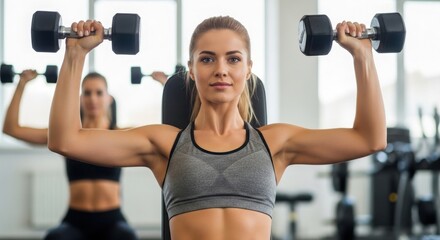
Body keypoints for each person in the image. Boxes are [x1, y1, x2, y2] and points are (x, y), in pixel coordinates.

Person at [48, 16, 386, 240]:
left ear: (248, 68)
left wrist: (362, 56)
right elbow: (65, 140)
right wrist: (75, 55)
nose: (221, 69)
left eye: (233, 59)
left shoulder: (276, 142)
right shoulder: (163, 143)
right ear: (192, 70)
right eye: (207, 59)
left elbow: (369, 139)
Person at [2, 70, 140, 240]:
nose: (93, 99)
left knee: (127, 236)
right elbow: (11, 129)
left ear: (108, 98)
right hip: (76, 219)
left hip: (112, 219)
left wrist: (168, 86)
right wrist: (22, 84)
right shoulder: (65, 136)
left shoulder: (120, 134)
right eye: (87, 93)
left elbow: (163, 132)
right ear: (80, 99)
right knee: (55, 237)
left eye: (99, 93)